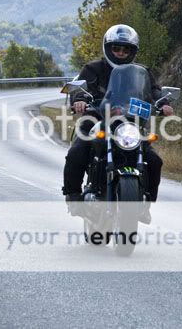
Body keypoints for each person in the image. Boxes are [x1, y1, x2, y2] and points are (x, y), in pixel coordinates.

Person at [62, 24, 174, 221]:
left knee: (155, 161)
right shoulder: (92, 68)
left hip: (129, 126)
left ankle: (145, 205)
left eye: (126, 49)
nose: (121, 53)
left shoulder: (142, 72)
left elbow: (154, 92)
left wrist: (163, 102)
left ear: (132, 51)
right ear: (108, 48)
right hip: (95, 121)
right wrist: (79, 100)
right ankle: (73, 197)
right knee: (76, 152)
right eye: (116, 48)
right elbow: (81, 87)